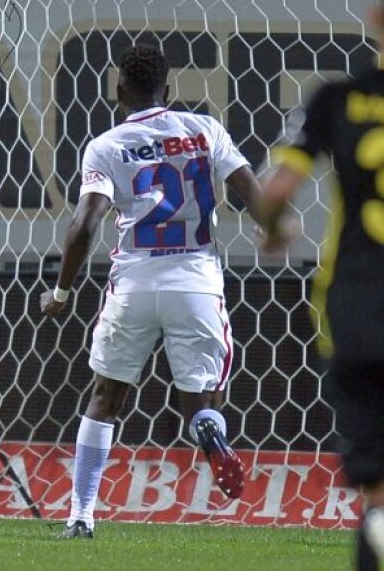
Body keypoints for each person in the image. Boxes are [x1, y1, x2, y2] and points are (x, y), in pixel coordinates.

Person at [39, 44, 261, 539]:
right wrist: (275, 228)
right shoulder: (204, 130)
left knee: (105, 396)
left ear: (119, 92)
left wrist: (61, 289)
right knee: (201, 397)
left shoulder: (106, 145)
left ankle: (80, 515)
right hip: (195, 279)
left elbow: (85, 223)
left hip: (133, 282)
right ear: (171, 90)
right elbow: (249, 189)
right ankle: (208, 426)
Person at [257, 0, 384, 571]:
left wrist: (276, 229)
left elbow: (273, 191)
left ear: (376, 16)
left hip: (351, 310)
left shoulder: (335, 99)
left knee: (378, 488)